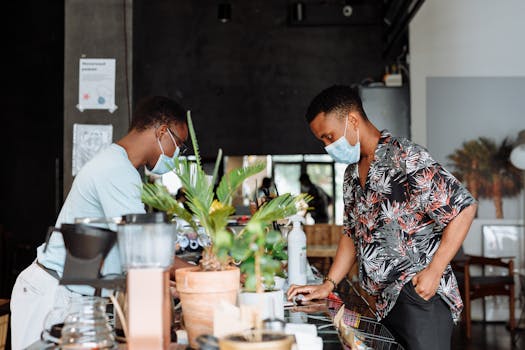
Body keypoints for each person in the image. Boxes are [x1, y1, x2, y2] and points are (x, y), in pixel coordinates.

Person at [287, 85, 477, 350]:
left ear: (352, 120)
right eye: (323, 141)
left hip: (418, 298)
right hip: (381, 303)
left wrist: (434, 272)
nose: (328, 146)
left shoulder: (406, 157)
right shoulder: (351, 175)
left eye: (330, 137)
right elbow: (351, 234)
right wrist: (327, 284)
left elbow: (464, 208)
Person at [10, 96, 192, 349]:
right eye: (179, 144)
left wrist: (166, 282)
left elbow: (125, 249)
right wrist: (198, 274)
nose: (176, 155)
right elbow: (143, 249)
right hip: (51, 293)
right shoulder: (117, 170)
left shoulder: (120, 165)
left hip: (69, 292)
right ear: (162, 132)